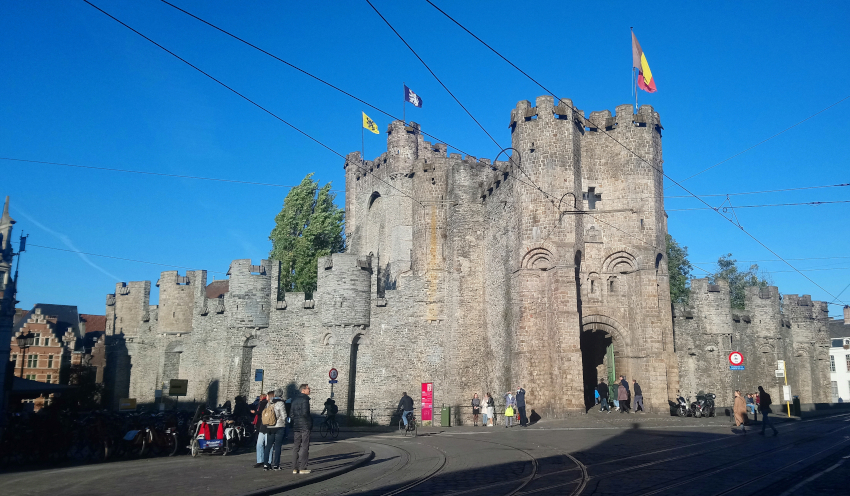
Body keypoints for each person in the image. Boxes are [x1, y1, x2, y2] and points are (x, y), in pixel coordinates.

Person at [263, 388, 289, 471]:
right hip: (279, 426)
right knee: (277, 446)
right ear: (281, 395)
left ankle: (266, 464)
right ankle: (276, 465)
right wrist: (287, 422)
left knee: (268, 446)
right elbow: (284, 416)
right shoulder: (280, 403)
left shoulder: (269, 403)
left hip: (270, 426)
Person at [291, 384, 313, 474]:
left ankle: (294, 468)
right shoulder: (305, 399)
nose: (310, 390)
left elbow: (291, 415)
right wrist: (310, 422)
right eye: (308, 388)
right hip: (304, 426)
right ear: (303, 390)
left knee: (296, 446)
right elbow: (305, 413)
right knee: (304, 446)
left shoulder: (294, 400)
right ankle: (303, 467)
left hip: (296, 426)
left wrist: (295, 421)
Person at [252, 393, 269, 468]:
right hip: (262, 425)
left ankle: (262, 461)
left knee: (262, 444)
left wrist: (254, 412)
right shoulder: (265, 403)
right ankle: (263, 461)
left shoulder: (264, 403)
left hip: (263, 425)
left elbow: (260, 412)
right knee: (262, 444)